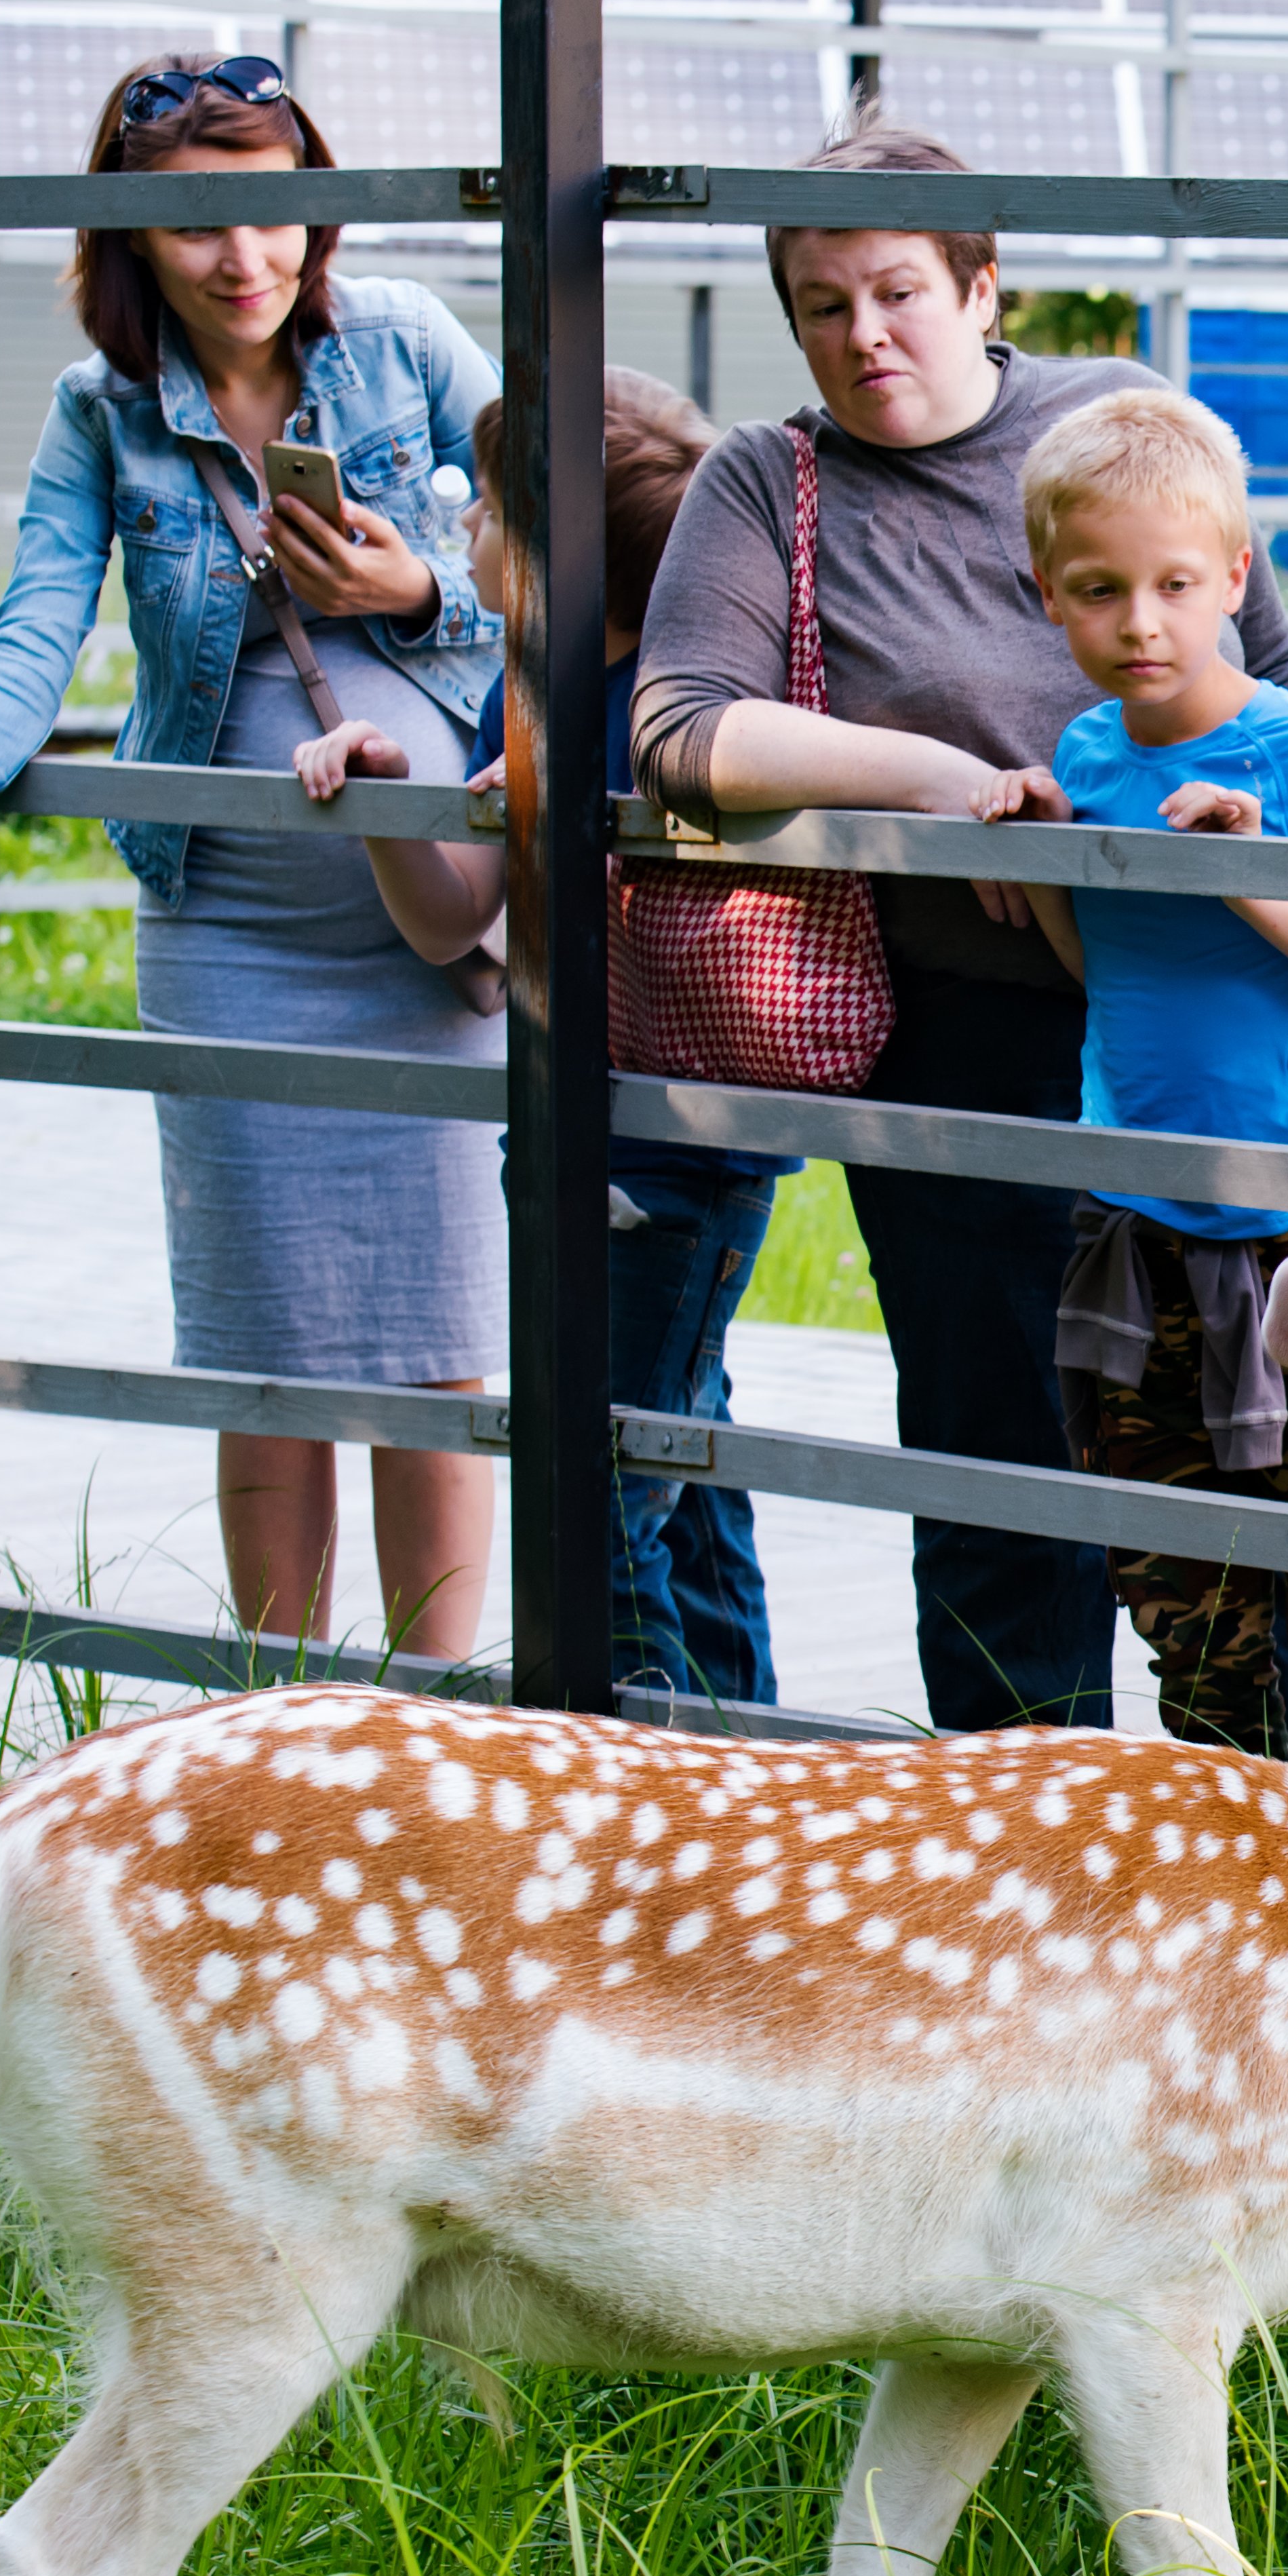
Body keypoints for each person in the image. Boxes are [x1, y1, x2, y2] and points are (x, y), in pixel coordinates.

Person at [629, 117, 1288, 1735]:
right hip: (961, 1041)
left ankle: (1273, 1870)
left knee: (1251, 1446)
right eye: (819, 306)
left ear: (982, 283)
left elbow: (1279, 701)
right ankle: (1023, 1881)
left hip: (1193, 1023)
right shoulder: (767, 479)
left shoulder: (1123, 422)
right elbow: (682, 729)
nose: (862, 338)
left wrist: (1166, 839)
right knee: (999, 1468)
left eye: (895, 294)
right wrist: (943, 785)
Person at [0, 52, 504, 1659]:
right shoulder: (101, 414)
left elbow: (583, 529)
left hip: (435, 925)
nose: (246, 260)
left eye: (273, 217)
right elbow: (32, 634)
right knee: (263, 1363)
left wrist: (419, 599)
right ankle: (274, 1718)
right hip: (230, 940)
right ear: (131, 241)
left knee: (435, 1353)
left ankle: (426, 1724)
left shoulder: (405, 341)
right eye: (199, 232)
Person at [294, 369, 788, 1712]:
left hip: (671, 1160)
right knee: (679, 1453)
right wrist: (406, 805)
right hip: (578, 1135)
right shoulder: (528, 694)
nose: (460, 540)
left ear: (550, 557)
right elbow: (456, 921)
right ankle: (739, 1748)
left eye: (484, 517)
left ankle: (639, 1767)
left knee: (611, 1476)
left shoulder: (664, 715)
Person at [1005, 391, 1288, 1759]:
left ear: (1235, 577)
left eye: (1176, 584)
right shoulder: (1082, 753)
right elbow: (1103, 960)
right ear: (1046, 597)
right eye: (1099, 590)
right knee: (1184, 1603)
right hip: (1138, 1226)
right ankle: (1227, 1916)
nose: (1141, 622)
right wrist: (1048, 845)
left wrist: (1248, 875)